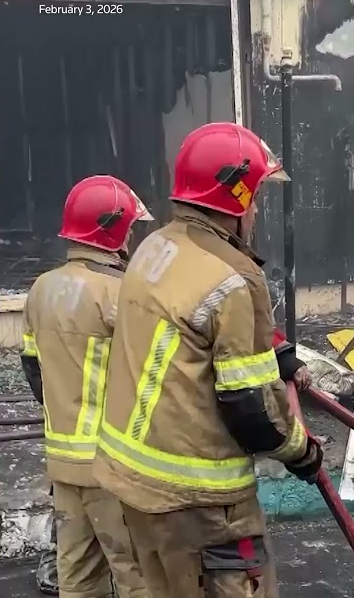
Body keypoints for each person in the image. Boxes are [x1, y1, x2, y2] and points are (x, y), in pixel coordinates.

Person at [92, 122, 323, 597]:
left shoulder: (154, 247)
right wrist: (304, 453)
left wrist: (275, 350)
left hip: (132, 486)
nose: (257, 208)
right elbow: (253, 410)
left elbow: (190, 327)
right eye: (255, 195)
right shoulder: (235, 278)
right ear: (234, 197)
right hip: (201, 506)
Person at [15, 175, 154, 598]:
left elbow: (33, 370)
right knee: (140, 577)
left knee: (77, 578)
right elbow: (152, 375)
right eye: (129, 228)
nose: (132, 237)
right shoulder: (122, 293)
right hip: (113, 466)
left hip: (63, 463)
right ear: (113, 230)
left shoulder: (41, 290)